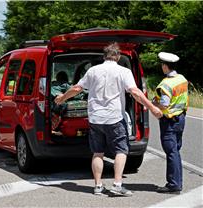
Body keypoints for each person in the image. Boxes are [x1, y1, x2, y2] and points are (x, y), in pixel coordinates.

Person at [55, 43, 163, 196]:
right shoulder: (123, 71)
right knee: (121, 150)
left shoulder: (92, 71)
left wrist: (62, 98)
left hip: (95, 118)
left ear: (104, 56)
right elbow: (135, 92)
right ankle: (117, 184)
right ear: (118, 56)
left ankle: (98, 186)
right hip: (114, 118)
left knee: (97, 152)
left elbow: (77, 88)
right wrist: (152, 107)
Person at [153, 52, 188, 194]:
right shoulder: (182, 79)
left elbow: (164, 105)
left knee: (171, 152)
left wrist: (153, 103)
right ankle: (177, 182)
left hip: (169, 122)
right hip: (180, 119)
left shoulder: (166, 84)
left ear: (165, 66)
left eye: (162, 65)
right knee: (175, 151)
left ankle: (173, 185)